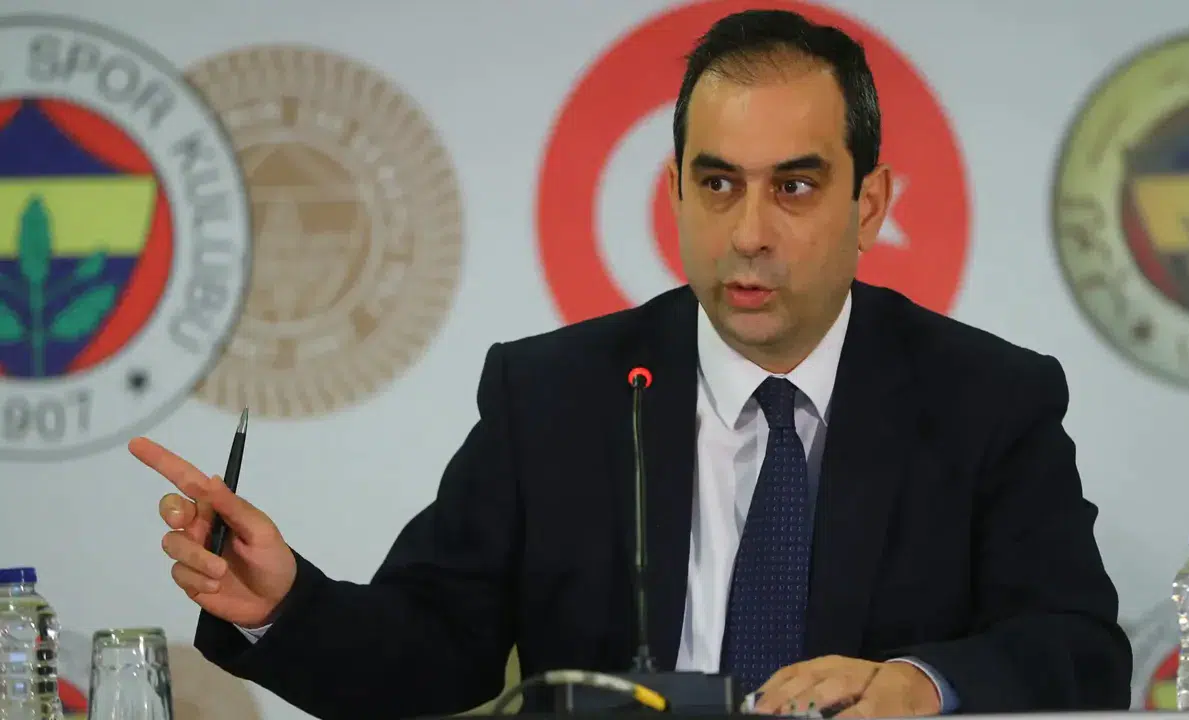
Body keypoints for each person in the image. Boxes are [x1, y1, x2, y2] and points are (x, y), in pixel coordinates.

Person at [131, 9, 1133, 719]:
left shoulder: (985, 399)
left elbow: (1078, 648)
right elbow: (433, 651)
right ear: (676, 192)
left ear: (867, 206)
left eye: (793, 187)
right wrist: (286, 606)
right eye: (717, 184)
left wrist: (921, 685)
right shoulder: (554, 397)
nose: (748, 232)